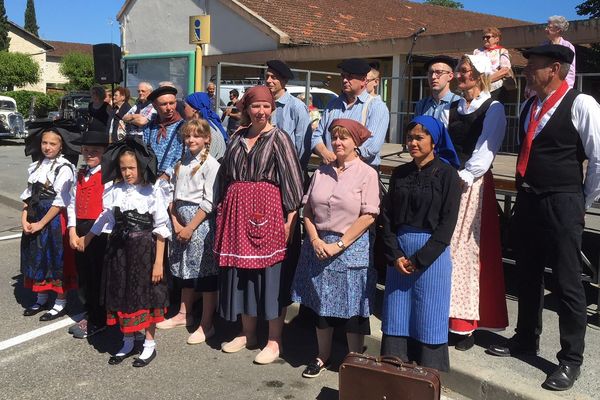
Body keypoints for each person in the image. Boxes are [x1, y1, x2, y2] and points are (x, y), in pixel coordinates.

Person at [488, 44, 600, 392]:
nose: (525, 71)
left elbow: (598, 158)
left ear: (554, 68)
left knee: (567, 281)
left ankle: (570, 359)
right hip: (530, 199)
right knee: (528, 273)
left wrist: (583, 199)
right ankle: (525, 338)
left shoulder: (582, 104)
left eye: (532, 66)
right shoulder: (529, 105)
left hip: (563, 200)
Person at [214, 86, 304, 365]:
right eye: (256, 106)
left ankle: (274, 340)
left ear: (273, 109)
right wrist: (222, 207)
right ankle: (247, 332)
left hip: (269, 213)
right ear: (247, 109)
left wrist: (290, 219)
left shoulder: (279, 138)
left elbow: (293, 181)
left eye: (266, 106)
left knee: (270, 276)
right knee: (242, 274)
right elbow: (225, 175)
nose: (261, 112)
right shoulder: (237, 137)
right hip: (237, 214)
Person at [291, 119, 380, 378]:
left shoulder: (367, 173)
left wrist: (338, 245)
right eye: (335, 138)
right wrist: (316, 240)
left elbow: (369, 215)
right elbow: (307, 210)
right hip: (319, 246)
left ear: (356, 143)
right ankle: (322, 355)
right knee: (321, 305)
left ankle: (355, 359)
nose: (338, 143)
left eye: (344, 138)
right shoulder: (321, 172)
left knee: (353, 308)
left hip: (350, 246)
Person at [379, 116, 461, 372]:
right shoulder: (400, 173)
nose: (413, 142)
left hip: (432, 258)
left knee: (429, 316)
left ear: (433, 141)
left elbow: (447, 225)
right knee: (397, 316)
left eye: (419, 137)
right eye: (410, 137)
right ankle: (395, 380)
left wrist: (419, 260)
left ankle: (425, 382)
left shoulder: (448, 175)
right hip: (400, 256)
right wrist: (395, 255)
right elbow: (387, 217)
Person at [84, 136, 170, 367]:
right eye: (123, 168)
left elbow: (161, 229)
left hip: (144, 252)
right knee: (122, 294)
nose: (127, 173)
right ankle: (128, 340)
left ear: (141, 166)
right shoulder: (115, 191)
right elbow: (107, 218)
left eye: (132, 168)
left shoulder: (152, 191)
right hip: (119, 253)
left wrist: (158, 263)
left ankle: (149, 344)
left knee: (146, 296)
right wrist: (89, 237)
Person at [446, 54, 509, 351]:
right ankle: (447, 318)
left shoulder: (492, 108)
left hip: (474, 184)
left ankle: (467, 325)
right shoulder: (453, 108)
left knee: (468, 254)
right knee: (447, 250)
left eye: (464, 71)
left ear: (478, 75)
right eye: (459, 71)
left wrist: (466, 175)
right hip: (451, 181)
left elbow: (486, 149)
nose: (459, 76)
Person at [159, 119, 220, 346]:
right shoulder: (180, 162)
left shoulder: (211, 165)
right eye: (188, 136)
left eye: (196, 136)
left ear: (206, 139)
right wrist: (175, 221)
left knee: (204, 273)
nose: (191, 140)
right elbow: (171, 194)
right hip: (179, 220)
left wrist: (190, 226)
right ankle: (184, 314)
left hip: (199, 223)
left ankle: (207, 323)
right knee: (183, 269)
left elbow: (208, 201)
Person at [20, 125, 78, 321]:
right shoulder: (37, 165)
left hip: (53, 220)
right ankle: (41, 297)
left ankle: (60, 302)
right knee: (37, 256)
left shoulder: (65, 168)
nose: (47, 147)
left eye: (52, 143)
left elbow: (60, 202)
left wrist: (41, 224)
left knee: (55, 258)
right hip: (35, 217)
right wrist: (24, 219)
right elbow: (28, 195)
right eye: (44, 143)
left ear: (61, 146)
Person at [66, 130, 111, 339]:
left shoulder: (108, 176)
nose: (90, 154)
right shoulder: (81, 174)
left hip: (98, 232)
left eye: (95, 151)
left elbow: (107, 211)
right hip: (81, 229)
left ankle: (98, 318)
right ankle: (89, 311)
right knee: (83, 275)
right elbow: (72, 204)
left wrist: (89, 236)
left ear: (103, 152)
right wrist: (73, 230)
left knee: (97, 276)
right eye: (86, 150)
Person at [311, 58, 389, 170]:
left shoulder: (376, 107)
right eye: (343, 76)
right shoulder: (332, 105)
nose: (345, 80)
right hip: (330, 169)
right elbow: (316, 136)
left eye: (350, 77)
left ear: (363, 80)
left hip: (360, 172)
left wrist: (345, 162)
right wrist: (325, 154)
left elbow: (373, 145)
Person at [266, 59, 312, 171]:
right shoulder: (263, 104)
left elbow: (302, 144)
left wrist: (297, 171)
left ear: (284, 80)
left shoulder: (297, 107)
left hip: (287, 169)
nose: (268, 80)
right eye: (267, 76)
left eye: (274, 77)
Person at [143, 86, 185, 180]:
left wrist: (167, 174)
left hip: (172, 180)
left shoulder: (183, 127)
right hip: (150, 178)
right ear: (155, 106)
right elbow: (144, 151)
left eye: (172, 103)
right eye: (164, 104)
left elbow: (182, 155)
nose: (169, 108)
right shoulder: (149, 127)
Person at [413, 55, 458, 125]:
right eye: (430, 73)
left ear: (450, 76)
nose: (433, 77)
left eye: (439, 72)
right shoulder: (421, 105)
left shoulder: (459, 104)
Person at [183, 92, 228, 160]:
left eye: (185, 107)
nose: (184, 110)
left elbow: (200, 161)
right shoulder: (211, 123)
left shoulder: (204, 130)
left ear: (194, 110)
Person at [473, 27, 512, 102]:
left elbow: (505, 70)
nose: (485, 39)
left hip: (495, 89)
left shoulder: (502, 51)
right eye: (483, 37)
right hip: (479, 89)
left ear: (497, 39)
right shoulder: (477, 51)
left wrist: (486, 80)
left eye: (488, 37)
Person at [544, 16, 576, 88]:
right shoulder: (543, 46)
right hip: (544, 86)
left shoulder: (568, 47)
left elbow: (570, 71)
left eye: (549, 27)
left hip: (560, 87)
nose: (545, 29)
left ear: (558, 29)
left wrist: (567, 89)